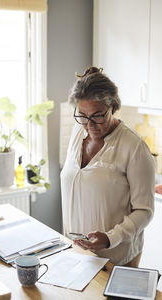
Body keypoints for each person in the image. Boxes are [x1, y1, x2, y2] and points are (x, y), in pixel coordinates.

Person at [60, 67, 155, 266]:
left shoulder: (134, 148)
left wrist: (111, 237)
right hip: (77, 254)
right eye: (83, 115)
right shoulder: (79, 131)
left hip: (116, 259)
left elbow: (144, 211)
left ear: (112, 106)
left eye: (98, 115)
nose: (90, 124)